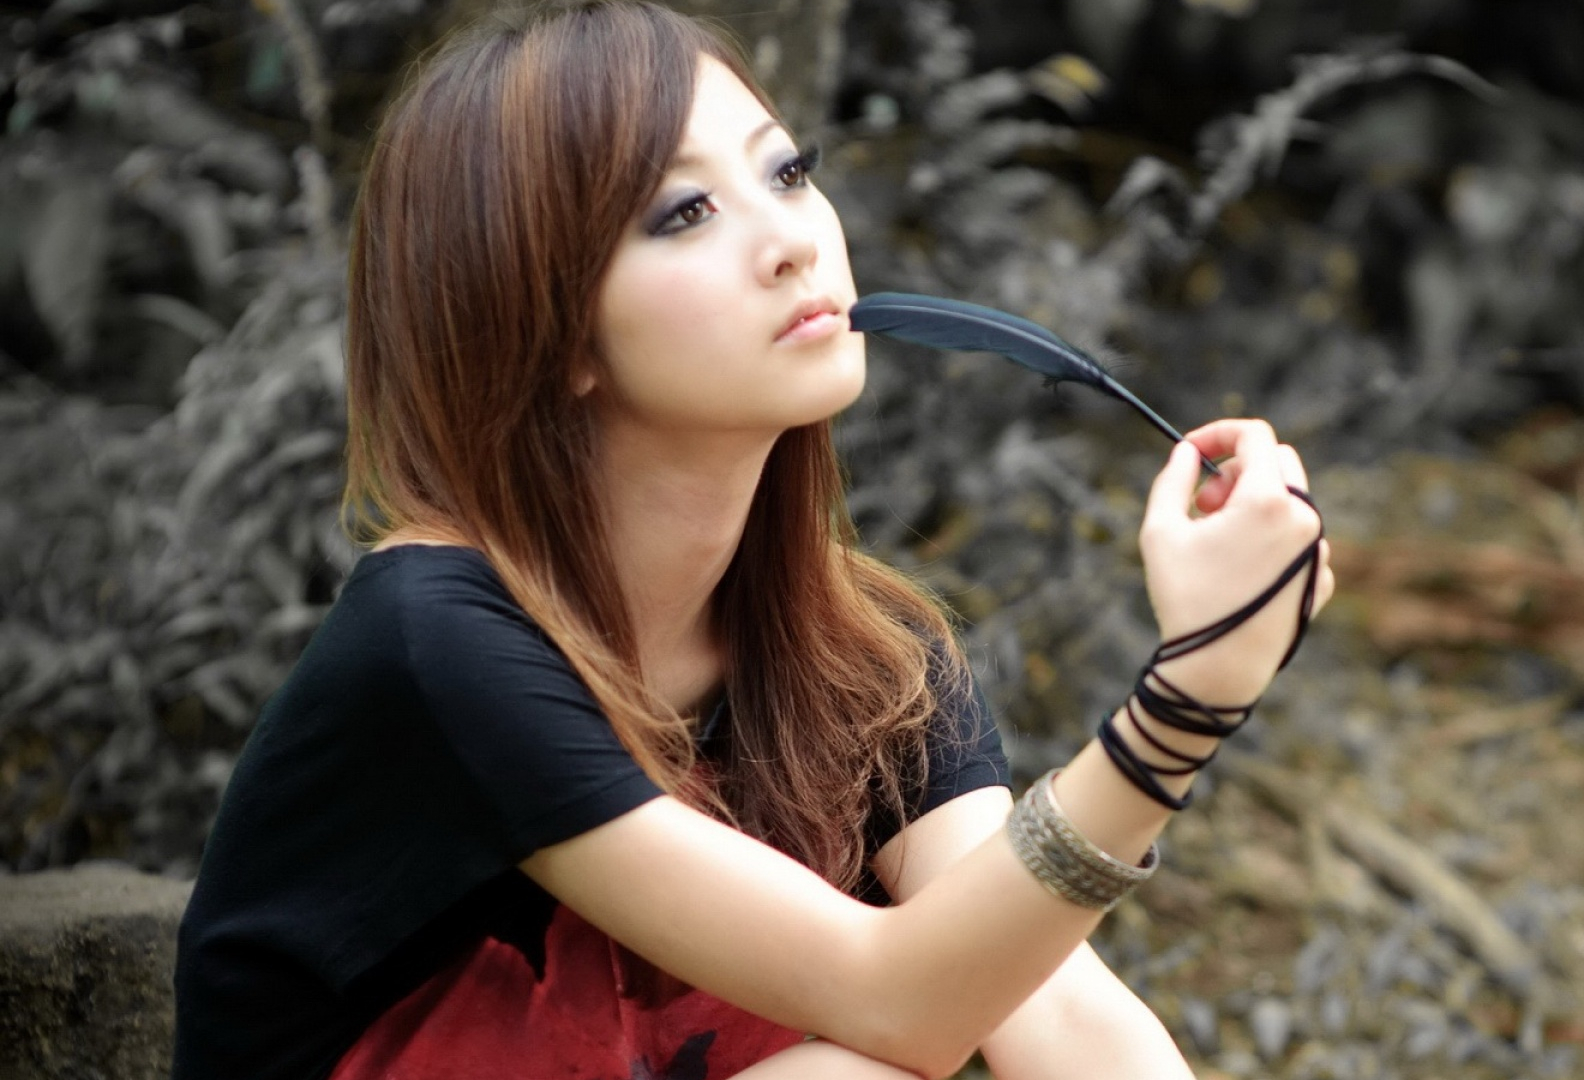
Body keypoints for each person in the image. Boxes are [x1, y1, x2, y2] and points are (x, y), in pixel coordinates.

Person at [169, 1, 1334, 1077]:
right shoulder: (441, 640)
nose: (791, 241)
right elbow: (902, 1002)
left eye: (788, 172)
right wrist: (1187, 701)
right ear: (551, 333)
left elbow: (1063, 1018)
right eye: (684, 213)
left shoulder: (869, 664)